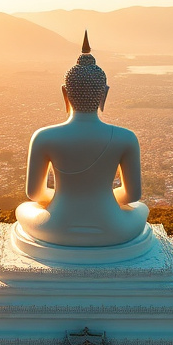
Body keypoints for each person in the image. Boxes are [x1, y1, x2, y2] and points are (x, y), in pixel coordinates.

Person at [15, 33, 149, 247]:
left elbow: (34, 194)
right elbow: (132, 195)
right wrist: (98, 199)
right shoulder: (126, 138)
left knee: (23, 209)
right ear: (103, 94)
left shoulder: (44, 137)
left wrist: (70, 200)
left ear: (65, 93)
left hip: (56, 228)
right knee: (142, 209)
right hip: (112, 230)